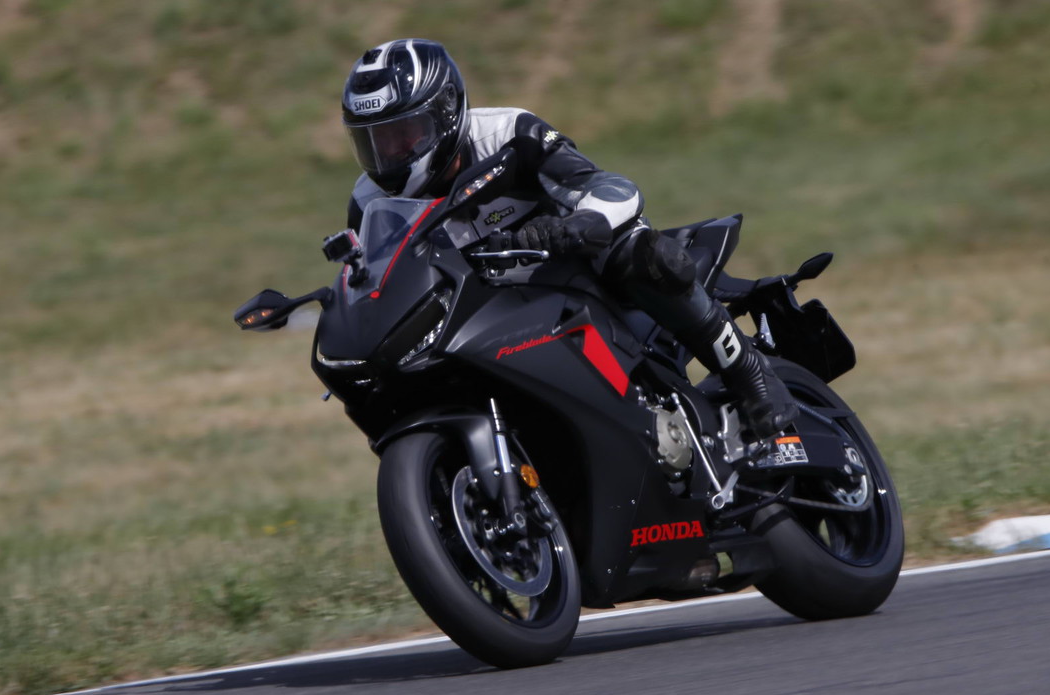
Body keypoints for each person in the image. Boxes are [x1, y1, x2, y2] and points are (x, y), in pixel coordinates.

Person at [340, 37, 798, 445]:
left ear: (444, 112)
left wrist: (578, 224)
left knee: (641, 254)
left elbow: (609, 187)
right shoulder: (368, 200)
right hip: (480, 310)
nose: (389, 155)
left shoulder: (508, 134)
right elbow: (376, 278)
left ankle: (749, 373)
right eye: (374, 142)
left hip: (572, 275)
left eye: (402, 135)